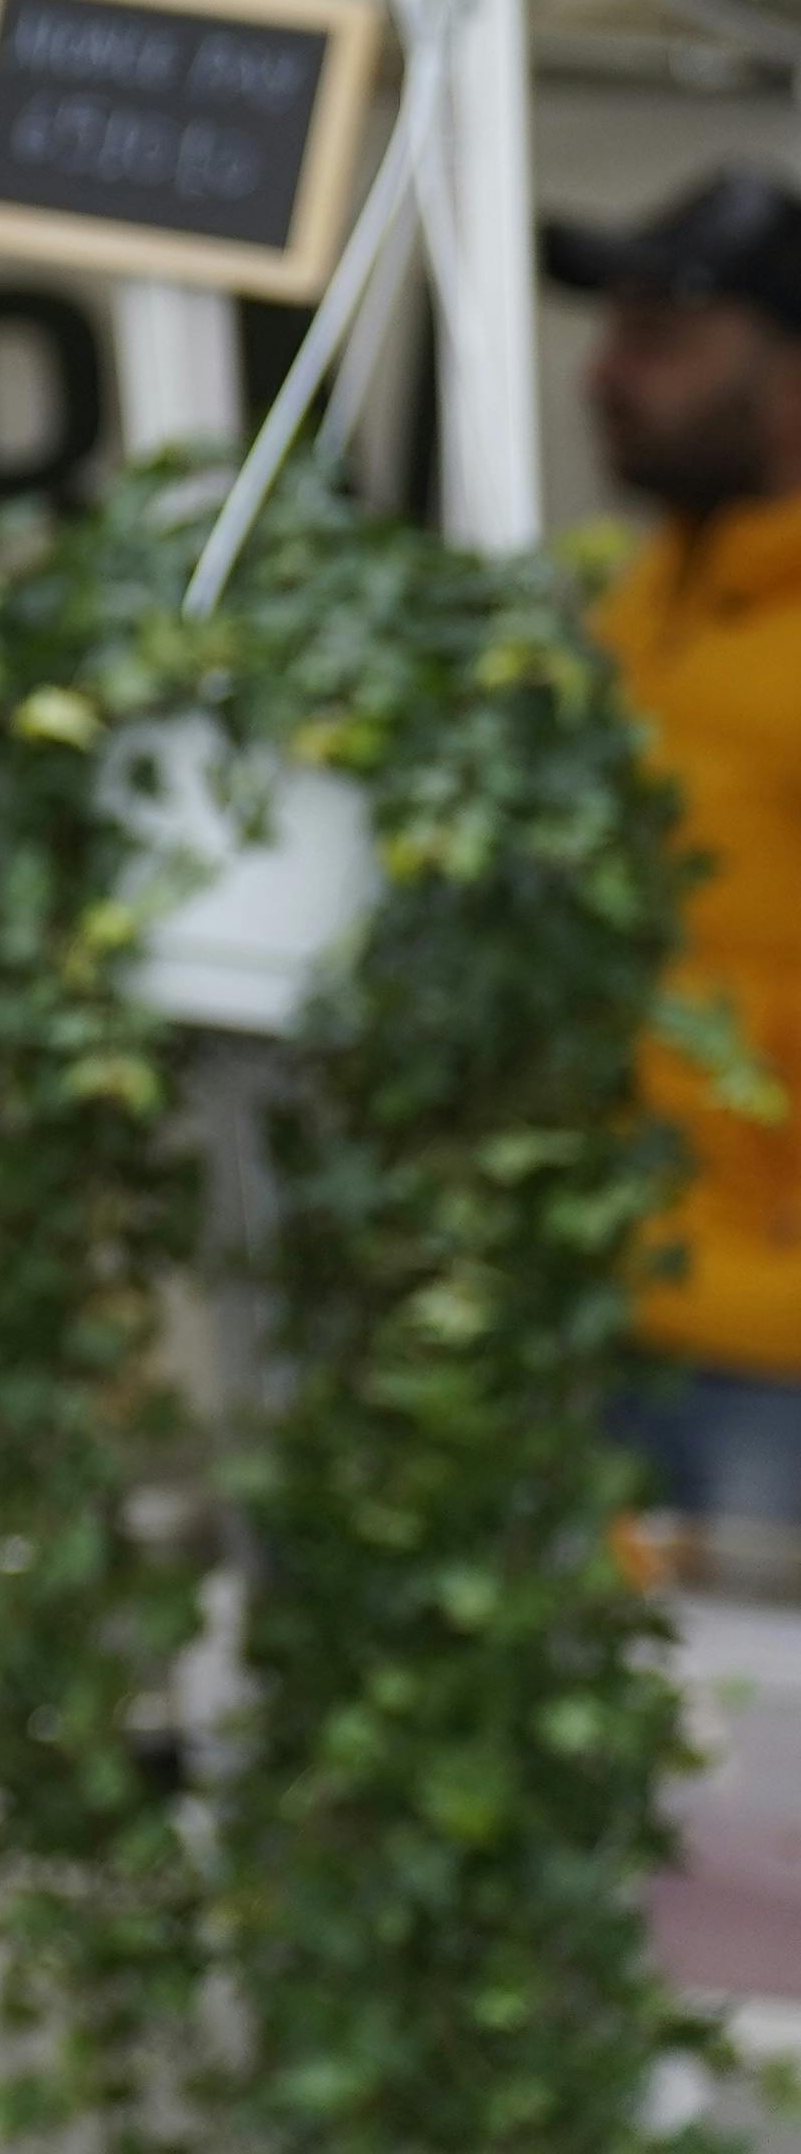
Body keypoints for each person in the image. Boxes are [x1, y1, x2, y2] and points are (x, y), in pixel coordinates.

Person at [552, 163, 801, 1531]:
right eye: (612, 332)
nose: (606, 375)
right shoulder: (638, 610)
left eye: (662, 338)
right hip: (614, 1319)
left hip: (775, 1359)